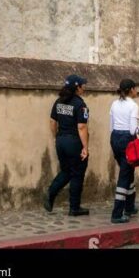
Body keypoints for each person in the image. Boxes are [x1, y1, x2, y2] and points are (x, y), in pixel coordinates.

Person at [109, 78, 139, 224]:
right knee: (124, 176)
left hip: (114, 138)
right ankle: (117, 213)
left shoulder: (114, 103)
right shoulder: (133, 106)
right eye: (136, 88)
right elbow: (133, 130)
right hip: (126, 140)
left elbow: (111, 126)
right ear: (131, 90)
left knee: (128, 172)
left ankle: (130, 206)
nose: (137, 91)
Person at [45, 73, 90, 216]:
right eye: (83, 85)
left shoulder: (58, 102)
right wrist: (85, 147)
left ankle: (51, 193)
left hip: (61, 141)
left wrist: (56, 137)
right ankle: (74, 208)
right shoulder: (80, 104)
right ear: (77, 88)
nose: (84, 87)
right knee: (77, 174)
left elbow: (53, 122)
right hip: (74, 142)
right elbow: (81, 127)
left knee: (66, 171)